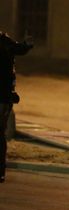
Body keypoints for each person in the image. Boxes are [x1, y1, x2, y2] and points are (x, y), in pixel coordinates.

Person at [0, 31, 33, 183]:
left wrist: (26, 45)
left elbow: (19, 49)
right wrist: (25, 45)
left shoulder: (3, 41)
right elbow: (20, 49)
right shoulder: (4, 41)